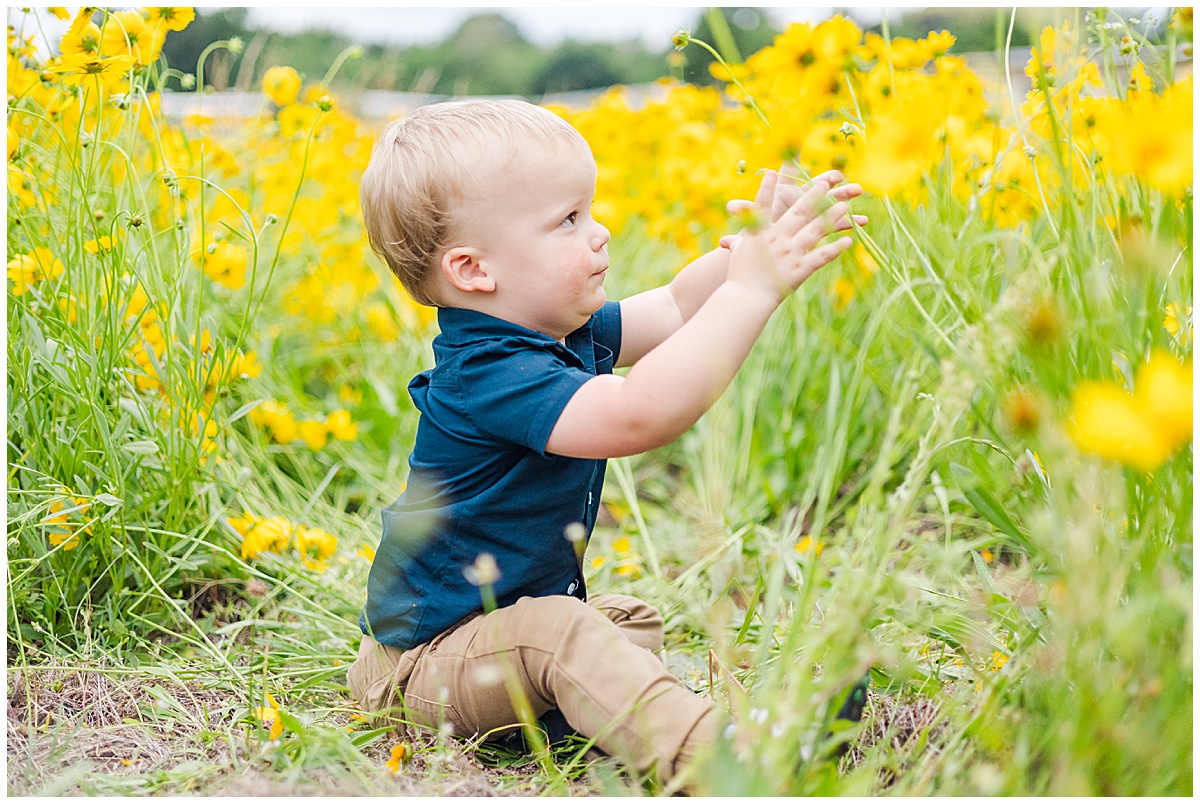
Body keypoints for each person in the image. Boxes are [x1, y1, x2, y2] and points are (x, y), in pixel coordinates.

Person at [347, 98, 867, 792]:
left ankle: (593, 717)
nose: (599, 232)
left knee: (627, 622)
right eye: (568, 219)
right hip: (418, 667)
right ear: (473, 270)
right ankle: (729, 759)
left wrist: (751, 250)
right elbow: (637, 415)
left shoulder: (560, 331)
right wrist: (752, 292)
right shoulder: (489, 373)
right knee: (564, 633)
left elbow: (677, 307)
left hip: (492, 641)